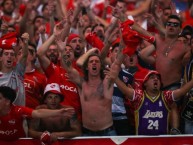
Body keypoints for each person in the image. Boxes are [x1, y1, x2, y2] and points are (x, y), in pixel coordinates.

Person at [107, 69, 193, 135]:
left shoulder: (166, 96)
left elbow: (182, 91)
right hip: (143, 141)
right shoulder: (139, 96)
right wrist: (116, 79)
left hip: (162, 141)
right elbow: (125, 90)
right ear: (145, 83)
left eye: (158, 79)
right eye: (152, 78)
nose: (156, 79)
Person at [62, 47, 122, 136]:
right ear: (87, 67)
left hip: (107, 132)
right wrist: (61, 49)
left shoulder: (107, 82)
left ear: (101, 66)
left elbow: (117, 63)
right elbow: (68, 68)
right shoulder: (81, 83)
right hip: (87, 132)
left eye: (97, 61)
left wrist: (123, 43)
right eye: (91, 61)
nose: (94, 63)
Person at [0, 86, 75, 141]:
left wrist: (58, 112)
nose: (53, 100)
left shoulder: (18, 110)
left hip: (19, 142)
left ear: (7, 101)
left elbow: (37, 113)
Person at [0, 32, 29, 106]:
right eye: (6, 54)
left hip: (18, 115)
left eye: (12, 54)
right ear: (1, 58)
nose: (9, 56)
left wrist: (25, 44)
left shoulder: (18, 71)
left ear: (15, 58)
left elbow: (25, 55)